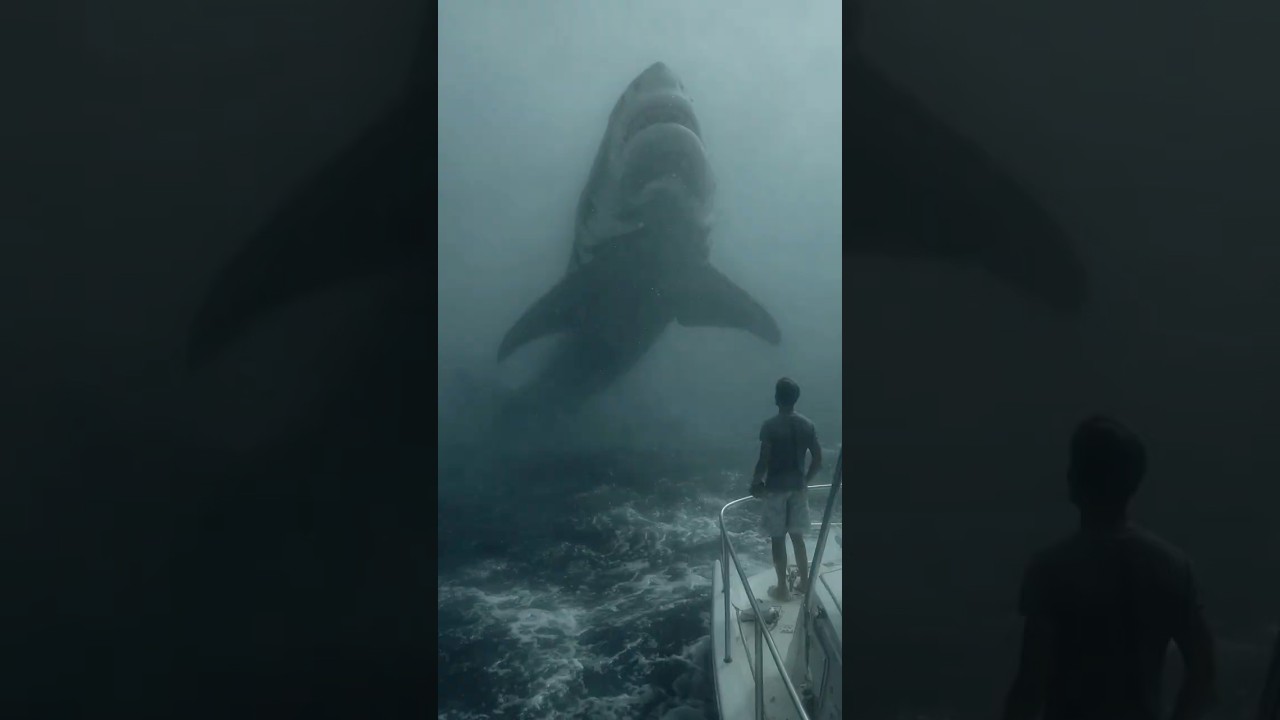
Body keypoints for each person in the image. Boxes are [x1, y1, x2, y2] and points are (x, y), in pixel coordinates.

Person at [1002, 416, 1217, 720]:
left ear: (1075, 477)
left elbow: (1031, 683)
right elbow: (1203, 671)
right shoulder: (1172, 565)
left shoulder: (1051, 569)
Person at [750, 377, 823, 601]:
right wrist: (805, 480)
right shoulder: (807, 424)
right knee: (797, 537)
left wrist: (755, 483)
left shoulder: (770, 426)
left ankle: (782, 588)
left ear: (776, 398)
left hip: (775, 489)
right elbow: (818, 459)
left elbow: (764, 460)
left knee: (778, 539)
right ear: (796, 398)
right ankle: (804, 582)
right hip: (798, 488)